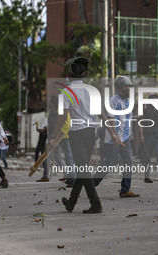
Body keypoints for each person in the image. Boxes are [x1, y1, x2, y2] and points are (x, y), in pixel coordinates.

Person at [51, 57, 121, 214]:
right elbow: (102, 115)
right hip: (91, 133)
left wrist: (53, 136)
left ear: (69, 75)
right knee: (83, 168)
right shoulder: (92, 91)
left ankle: (95, 203)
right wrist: (114, 135)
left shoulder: (66, 91)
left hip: (77, 134)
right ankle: (71, 203)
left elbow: (62, 116)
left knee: (83, 169)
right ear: (84, 75)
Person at [93, 76, 140, 198]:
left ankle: (125, 190)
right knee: (108, 165)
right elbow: (110, 119)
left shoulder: (130, 101)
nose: (128, 89)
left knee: (129, 163)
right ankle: (91, 187)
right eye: (125, 86)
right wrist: (114, 135)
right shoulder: (113, 100)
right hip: (113, 139)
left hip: (125, 138)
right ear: (119, 87)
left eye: (129, 86)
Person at [140, 93, 158, 184]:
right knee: (147, 157)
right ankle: (147, 177)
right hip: (148, 135)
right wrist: (141, 135)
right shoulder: (145, 110)